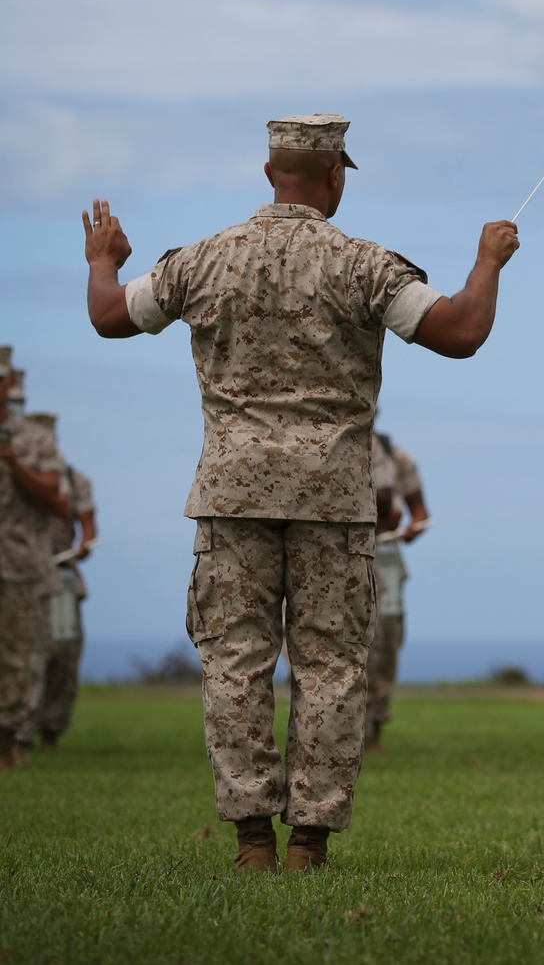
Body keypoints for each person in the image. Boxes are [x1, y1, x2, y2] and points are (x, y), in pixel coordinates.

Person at [82, 113, 518, 872]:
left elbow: (110, 316)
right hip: (333, 502)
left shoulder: (202, 259)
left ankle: (253, 841)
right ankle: (308, 844)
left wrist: (101, 260)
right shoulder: (364, 265)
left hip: (231, 500)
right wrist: (488, 261)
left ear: (267, 173)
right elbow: (460, 330)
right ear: (334, 176)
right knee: (332, 669)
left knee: (236, 666)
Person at [0, 350, 71, 770]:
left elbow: (57, 502)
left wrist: (13, 463)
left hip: (20, 566)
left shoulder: (33, 441)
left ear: (8, 385)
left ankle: (13, 740)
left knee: (22, 658)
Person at [20, 440, 98, 754]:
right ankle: (18, 732)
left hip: (61, 575)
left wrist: (83, 546)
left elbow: (88, 526)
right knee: (24, 657)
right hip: (19, 575)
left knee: (63, 655)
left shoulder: (75, 480)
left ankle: (50, 731)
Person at [364, 425, 429, 753]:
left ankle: (374, 730)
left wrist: (410, 528)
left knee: (384, 642)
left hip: (384, 557)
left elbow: (418, 512)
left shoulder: (396, 457)